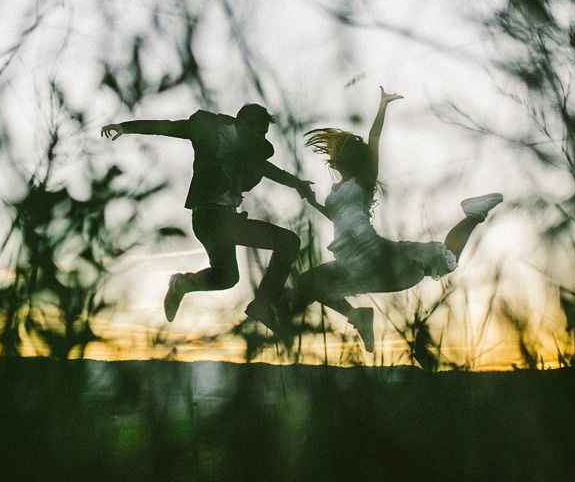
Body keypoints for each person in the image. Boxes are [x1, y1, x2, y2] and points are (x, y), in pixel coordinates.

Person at [294, 87, 502, 352]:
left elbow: (374, 136)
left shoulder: (363, 181)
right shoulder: (337, 191)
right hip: (349, 259)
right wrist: (312, 202)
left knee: (443, 260)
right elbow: (336, 217)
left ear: (346, 157)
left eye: (335, 153)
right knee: (306, 284)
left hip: (374, 254)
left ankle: (473, 214)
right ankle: (357, 316)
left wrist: (382, 106)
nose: (330, 158)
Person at [101, 104, 315, 333]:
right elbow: (168, 128)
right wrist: (125, 127)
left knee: (227, 278)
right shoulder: (209, 131)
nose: (261, 138)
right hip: (210, 217)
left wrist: (298, 184)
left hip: (225, 220)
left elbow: (269, 170)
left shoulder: (249, 151)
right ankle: (262, 304)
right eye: (259, 132)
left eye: (264, 134)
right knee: (289, 242)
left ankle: (182, 284)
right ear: (243, 124)